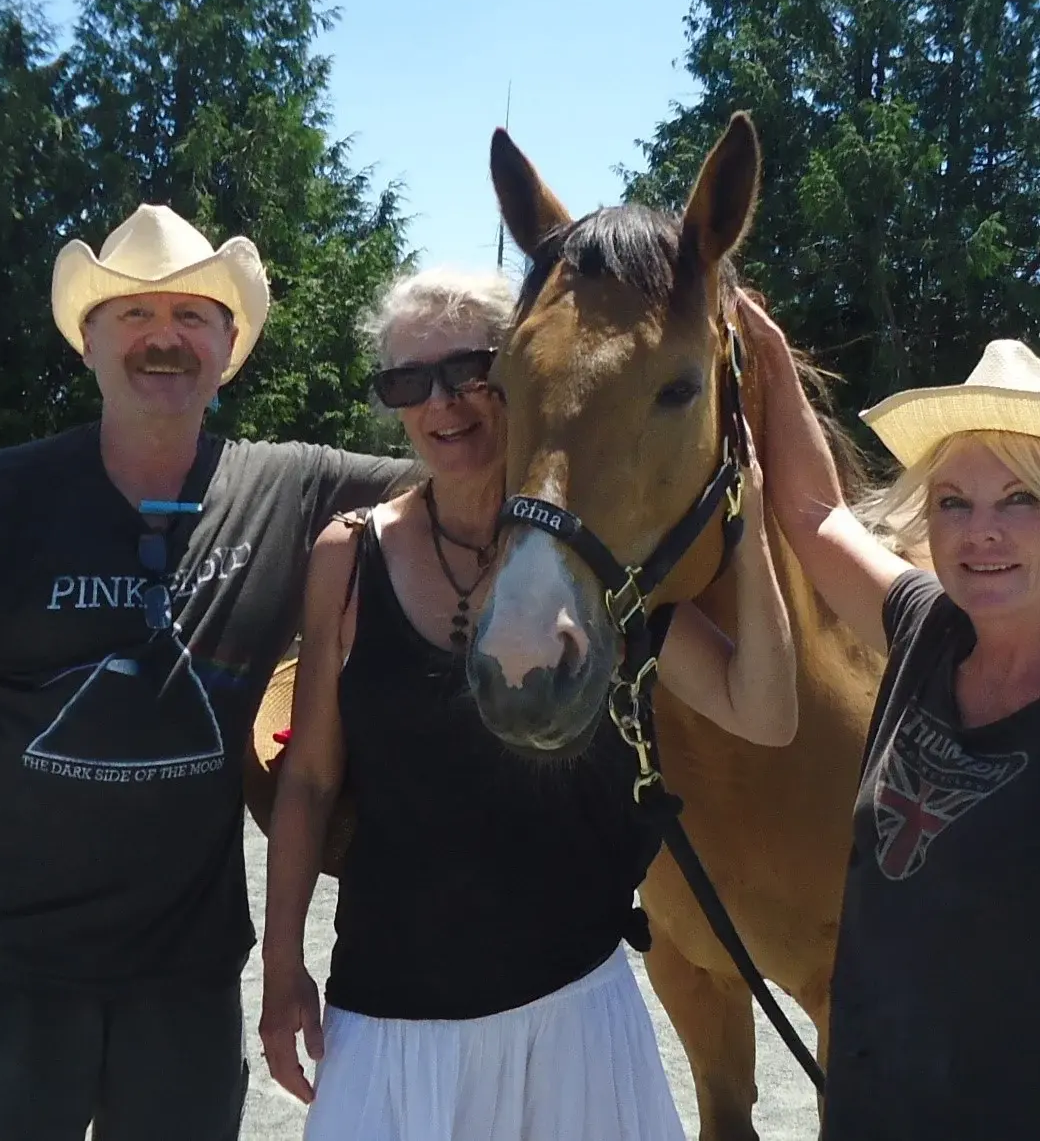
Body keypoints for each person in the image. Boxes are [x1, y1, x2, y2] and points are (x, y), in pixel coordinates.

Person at [0, 204, 413, 1139]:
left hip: (183, 989)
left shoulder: (288, 488)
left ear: (229, 346)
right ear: (88, 340)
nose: (164, 337)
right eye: (134, 314)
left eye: (193, 315)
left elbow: (466, 474)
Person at [258, 268, 799, 1141]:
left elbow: (764, 710)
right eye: (407, 380)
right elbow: (310, 780)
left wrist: (747, 518)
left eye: (469, 370)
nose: (442, 403)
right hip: (392, 1017)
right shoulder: (347, 557)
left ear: (517, 375)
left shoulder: (595, 567)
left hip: (574, 1014)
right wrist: (283, 969)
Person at [742, 293, 1040, 1141]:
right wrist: (770, 358)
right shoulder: (928, 635)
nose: (981, 534)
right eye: (952, 502)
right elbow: (814, 516)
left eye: (1020, 500)